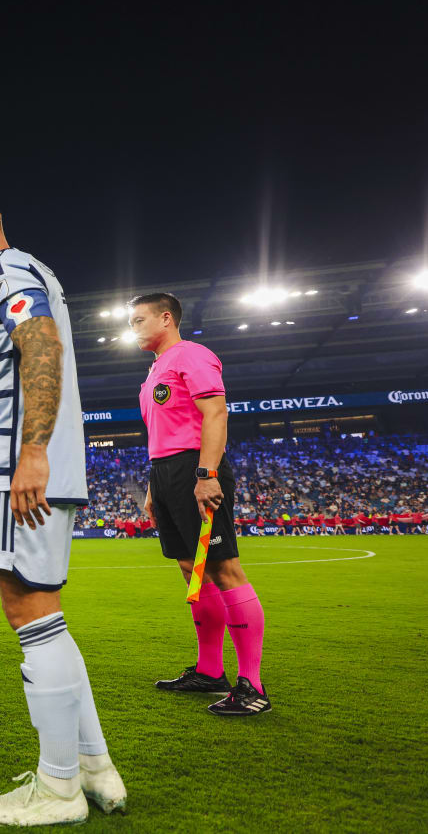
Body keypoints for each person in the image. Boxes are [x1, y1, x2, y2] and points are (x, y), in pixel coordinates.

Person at [0, 184, 125, 825]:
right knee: (47, 617)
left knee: (29, 611)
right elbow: (1, 368)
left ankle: (58, 789)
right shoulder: (29, 271)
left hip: (19, 467)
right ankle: (94, 768)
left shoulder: (3, 270)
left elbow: (40, 345)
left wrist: (31, 452)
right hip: (30, 463)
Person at [129, 292, 270, 717]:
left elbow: (216, 414)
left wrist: (207, 474)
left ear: (166, 318)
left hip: (196, 467)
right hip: (165, 472)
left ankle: (253, 687)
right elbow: (164, 432)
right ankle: (210, 671)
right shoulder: (155, 371)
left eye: (138, 320)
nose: (133, 328)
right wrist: (153, 486)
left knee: (224, 568)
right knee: (191, 568)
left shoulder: (191, 355)